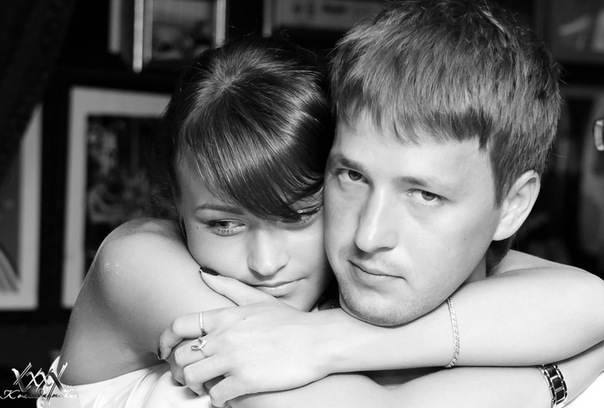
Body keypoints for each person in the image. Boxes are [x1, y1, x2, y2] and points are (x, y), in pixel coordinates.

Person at [44, 12, 602, 408]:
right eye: (351, 176)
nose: (368, 235)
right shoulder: (142, 263)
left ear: (513, 207)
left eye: (424, 194)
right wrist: (557, 377)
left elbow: (589, 302)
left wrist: (322, 341)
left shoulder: (338, 306)